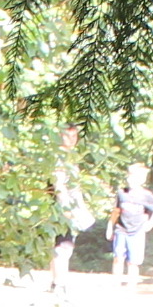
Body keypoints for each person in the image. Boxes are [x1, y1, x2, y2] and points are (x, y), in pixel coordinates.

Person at [50, 126, 97, 296]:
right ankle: (58, 282)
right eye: (66, 135)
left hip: (73, 208)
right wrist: (66, 208)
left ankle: (59, 281)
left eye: (74, 135)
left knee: (66, 245)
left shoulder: (71, 157)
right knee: (63, 245)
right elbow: (59, 185)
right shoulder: (59, 158)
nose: (71, 138)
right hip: (62, 208)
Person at [109, 164, 153, 289]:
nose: (130, 179)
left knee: (133, 261)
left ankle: (131, 285)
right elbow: (116, 210)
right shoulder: (121, 193)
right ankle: (116, 283)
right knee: (118, 257)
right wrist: (110, 227)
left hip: (137, 231)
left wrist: (150, 224)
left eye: (135, 177)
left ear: (142, 180)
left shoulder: (146, 195)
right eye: (129, 176)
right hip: (121, 229)